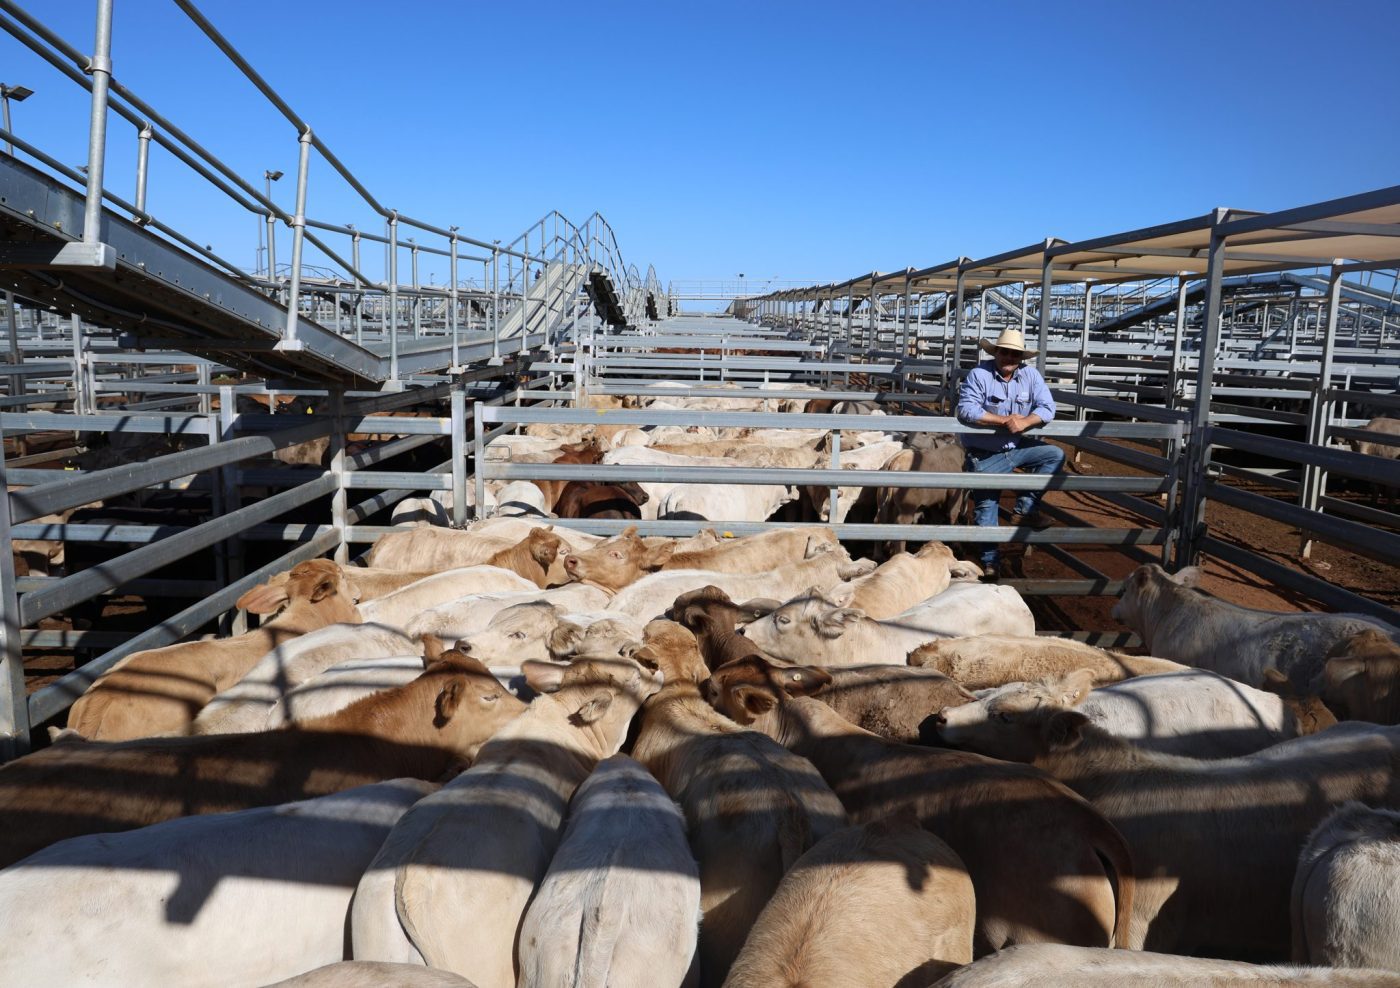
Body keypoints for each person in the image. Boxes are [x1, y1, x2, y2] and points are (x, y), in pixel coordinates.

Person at [955, 328, 1065, 577]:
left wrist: (1025, 423)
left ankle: (1024, 510)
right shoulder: (980, 374)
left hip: (1015, 447)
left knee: (1054, 455)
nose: (1009, 358)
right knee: (986, 507)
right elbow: (967, 410)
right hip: (983, 453)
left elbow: (1048, 407)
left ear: (1021, 358)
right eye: (1005, 352)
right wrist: (1003, 420)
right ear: (996, 352)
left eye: (1015, 354)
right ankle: (991, 562)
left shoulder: (1030, 376)